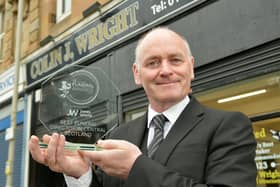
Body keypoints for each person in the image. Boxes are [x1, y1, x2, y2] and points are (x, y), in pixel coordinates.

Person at [29, 27, 257, 187]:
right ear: (137, 74)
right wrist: (81, 175)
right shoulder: (120, 135)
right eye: (153, 62)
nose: (166, 70)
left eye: (175, 60)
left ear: (191, 67)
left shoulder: (228, 126)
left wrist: (136, 168)